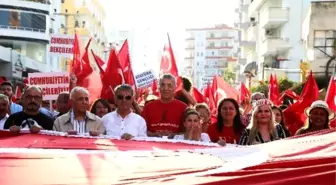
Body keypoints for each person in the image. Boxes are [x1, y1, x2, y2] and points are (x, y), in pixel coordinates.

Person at [142, 74, 188, 138]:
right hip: (152, 145)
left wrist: (174, 135)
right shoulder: (148, 107)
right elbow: (141, 131)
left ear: (175, 88)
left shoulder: (184, 108)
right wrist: (154, 135)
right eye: (163, 85)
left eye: (169, 85)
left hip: (176, 146)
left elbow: (188, 131)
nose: (166, 88)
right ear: (159, 87)